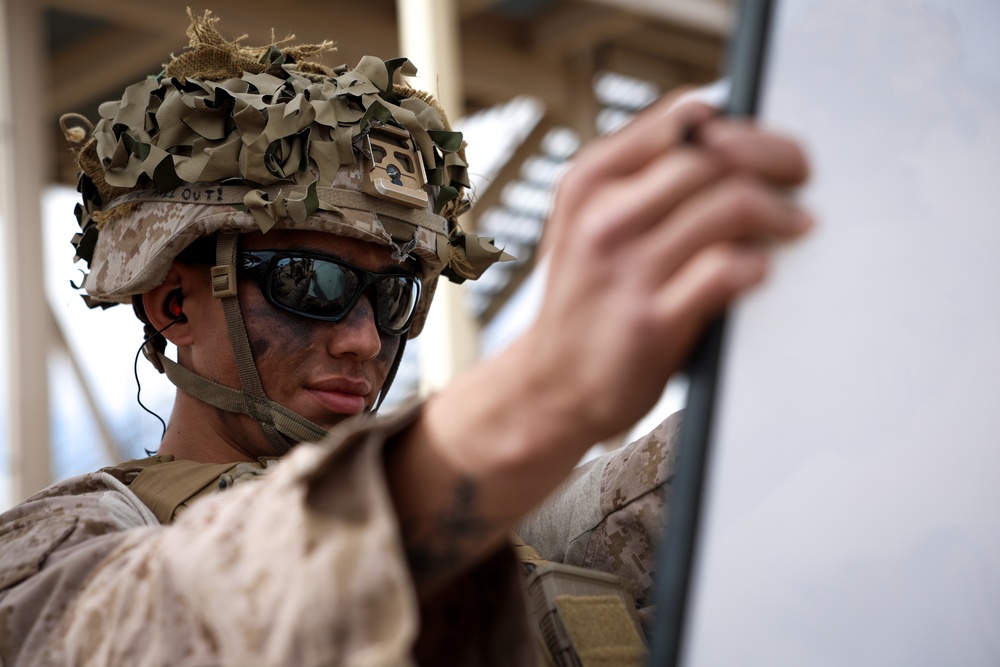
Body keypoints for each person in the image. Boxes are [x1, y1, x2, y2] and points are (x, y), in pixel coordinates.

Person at [0, 10, 810, 666]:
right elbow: (151, 621)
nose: (362, 338)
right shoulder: (69, 547)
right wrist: (542, 393)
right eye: (306, 284)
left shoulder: (489, 534)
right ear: (174, 303)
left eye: (393, 295)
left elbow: (672, 489)